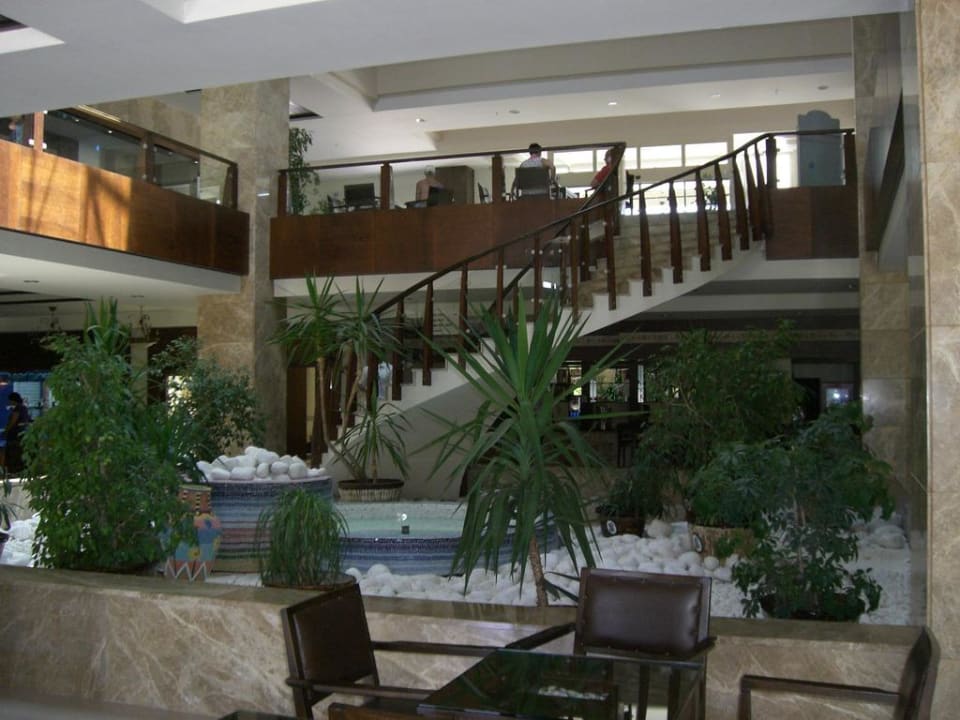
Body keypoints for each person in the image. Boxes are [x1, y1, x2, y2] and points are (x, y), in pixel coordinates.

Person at [3, 392, 31, 474]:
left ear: (13, 400)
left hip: (15, 435)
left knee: (13, 452)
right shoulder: (24, 408)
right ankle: (20, 470)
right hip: (21, 434)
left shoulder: (18, 408)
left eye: (10, 400)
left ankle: (14, 470)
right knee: (19, 452)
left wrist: (6, 430)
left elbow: (13, 421)